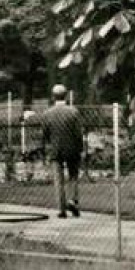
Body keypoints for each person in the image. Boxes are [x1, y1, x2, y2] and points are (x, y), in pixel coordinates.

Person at [41, 84, 83, 219]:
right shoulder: (73, 112)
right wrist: (80, 148)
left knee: (58, 179)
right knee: (73, 176)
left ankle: (61, 208)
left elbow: (45, 134)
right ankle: (73, 200)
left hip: (56, 149)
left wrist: (50, 144)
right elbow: (78, 133)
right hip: (72, 149)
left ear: (53, 97)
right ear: (65, 95)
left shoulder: (47, 113)